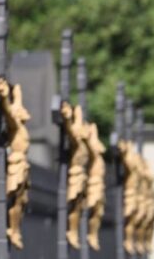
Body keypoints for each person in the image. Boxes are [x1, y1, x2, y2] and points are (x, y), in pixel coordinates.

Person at [0, 79, 30, 249]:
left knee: (20, 201)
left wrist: (17, 94)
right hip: (16, 164)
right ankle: (12, 229)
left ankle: (15, 229)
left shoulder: (22, 128)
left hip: (23, 166)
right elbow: (9, 113)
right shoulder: (15, 126)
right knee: (15, 198)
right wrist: (4, 98)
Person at [60, 102, 89, 249]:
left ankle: (74, 231)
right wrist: (67, 120)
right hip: (76, 175)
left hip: (82, 177)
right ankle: (72, 231)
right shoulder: (77, 142)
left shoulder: (85, 145)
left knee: (78, 207)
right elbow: (71, 133)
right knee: (74, 204)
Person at [84, 121, 106, 250]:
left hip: (99, 186)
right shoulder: (94, 155)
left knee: (98, 213)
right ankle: (91, 234)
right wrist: (89, 136)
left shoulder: (99, 158)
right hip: (94, 185)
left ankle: (93, 234)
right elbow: (91, 150)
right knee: (91, 208)